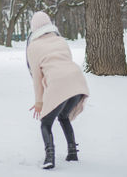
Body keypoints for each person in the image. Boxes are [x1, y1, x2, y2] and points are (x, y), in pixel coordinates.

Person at [26, 11, 90, 169]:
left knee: (45, 123)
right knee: (63, 116)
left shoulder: (33, 46)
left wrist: (39, 102)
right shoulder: (60, 40)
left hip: (58, 83)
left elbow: (36, 77)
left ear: (33, 28)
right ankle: (72, 152)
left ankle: (49, 157)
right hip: (77, 82)